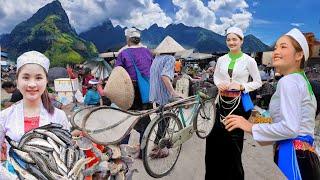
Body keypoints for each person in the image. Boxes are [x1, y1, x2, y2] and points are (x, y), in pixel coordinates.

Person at [225, 28, 320, 179]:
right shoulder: (301, 81)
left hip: (294, 155)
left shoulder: (289, 81)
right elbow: (292, 122)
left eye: (283, 47)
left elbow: (290, 128)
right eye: (276, 47)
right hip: (305, 156)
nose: (275, 51)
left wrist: (250, 126)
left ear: (299, 55)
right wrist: (261, 119)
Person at [205, 27, 262, 180]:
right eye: (228, 39)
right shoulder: (221, 59)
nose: (231, 42)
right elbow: (216, 77)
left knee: (233, 145)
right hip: (221, 103)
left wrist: (242, 86)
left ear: (241, 41)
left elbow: (258, 82)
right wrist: (219, 84)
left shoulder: (249, 60)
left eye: (234, 39)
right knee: (213, 142)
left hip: (238, 105)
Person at [0, 51, 70, 161]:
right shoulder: (4, 116)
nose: (32, 84)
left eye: (38, 78)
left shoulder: (59, 116)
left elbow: (66, 152)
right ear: (17, 81)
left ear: (46, 81)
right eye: (26, 77)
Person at [115, 27, 153, 152]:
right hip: (147, 90)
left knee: (127, 118)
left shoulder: (123, 54)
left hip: (132, 91)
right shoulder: (148, 52)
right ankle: (143, 150)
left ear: (128, 39)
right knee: (145, 118)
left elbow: (117, 74)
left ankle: (122, 149)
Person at [149, 48, 183, 158]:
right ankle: (160, 148)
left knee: (161, 121)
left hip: (155, 92)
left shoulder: (157, 58)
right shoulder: (170, 58)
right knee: (165, 121)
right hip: (164, 94)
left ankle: (156, 145)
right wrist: (173, 92)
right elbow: (164, 76)